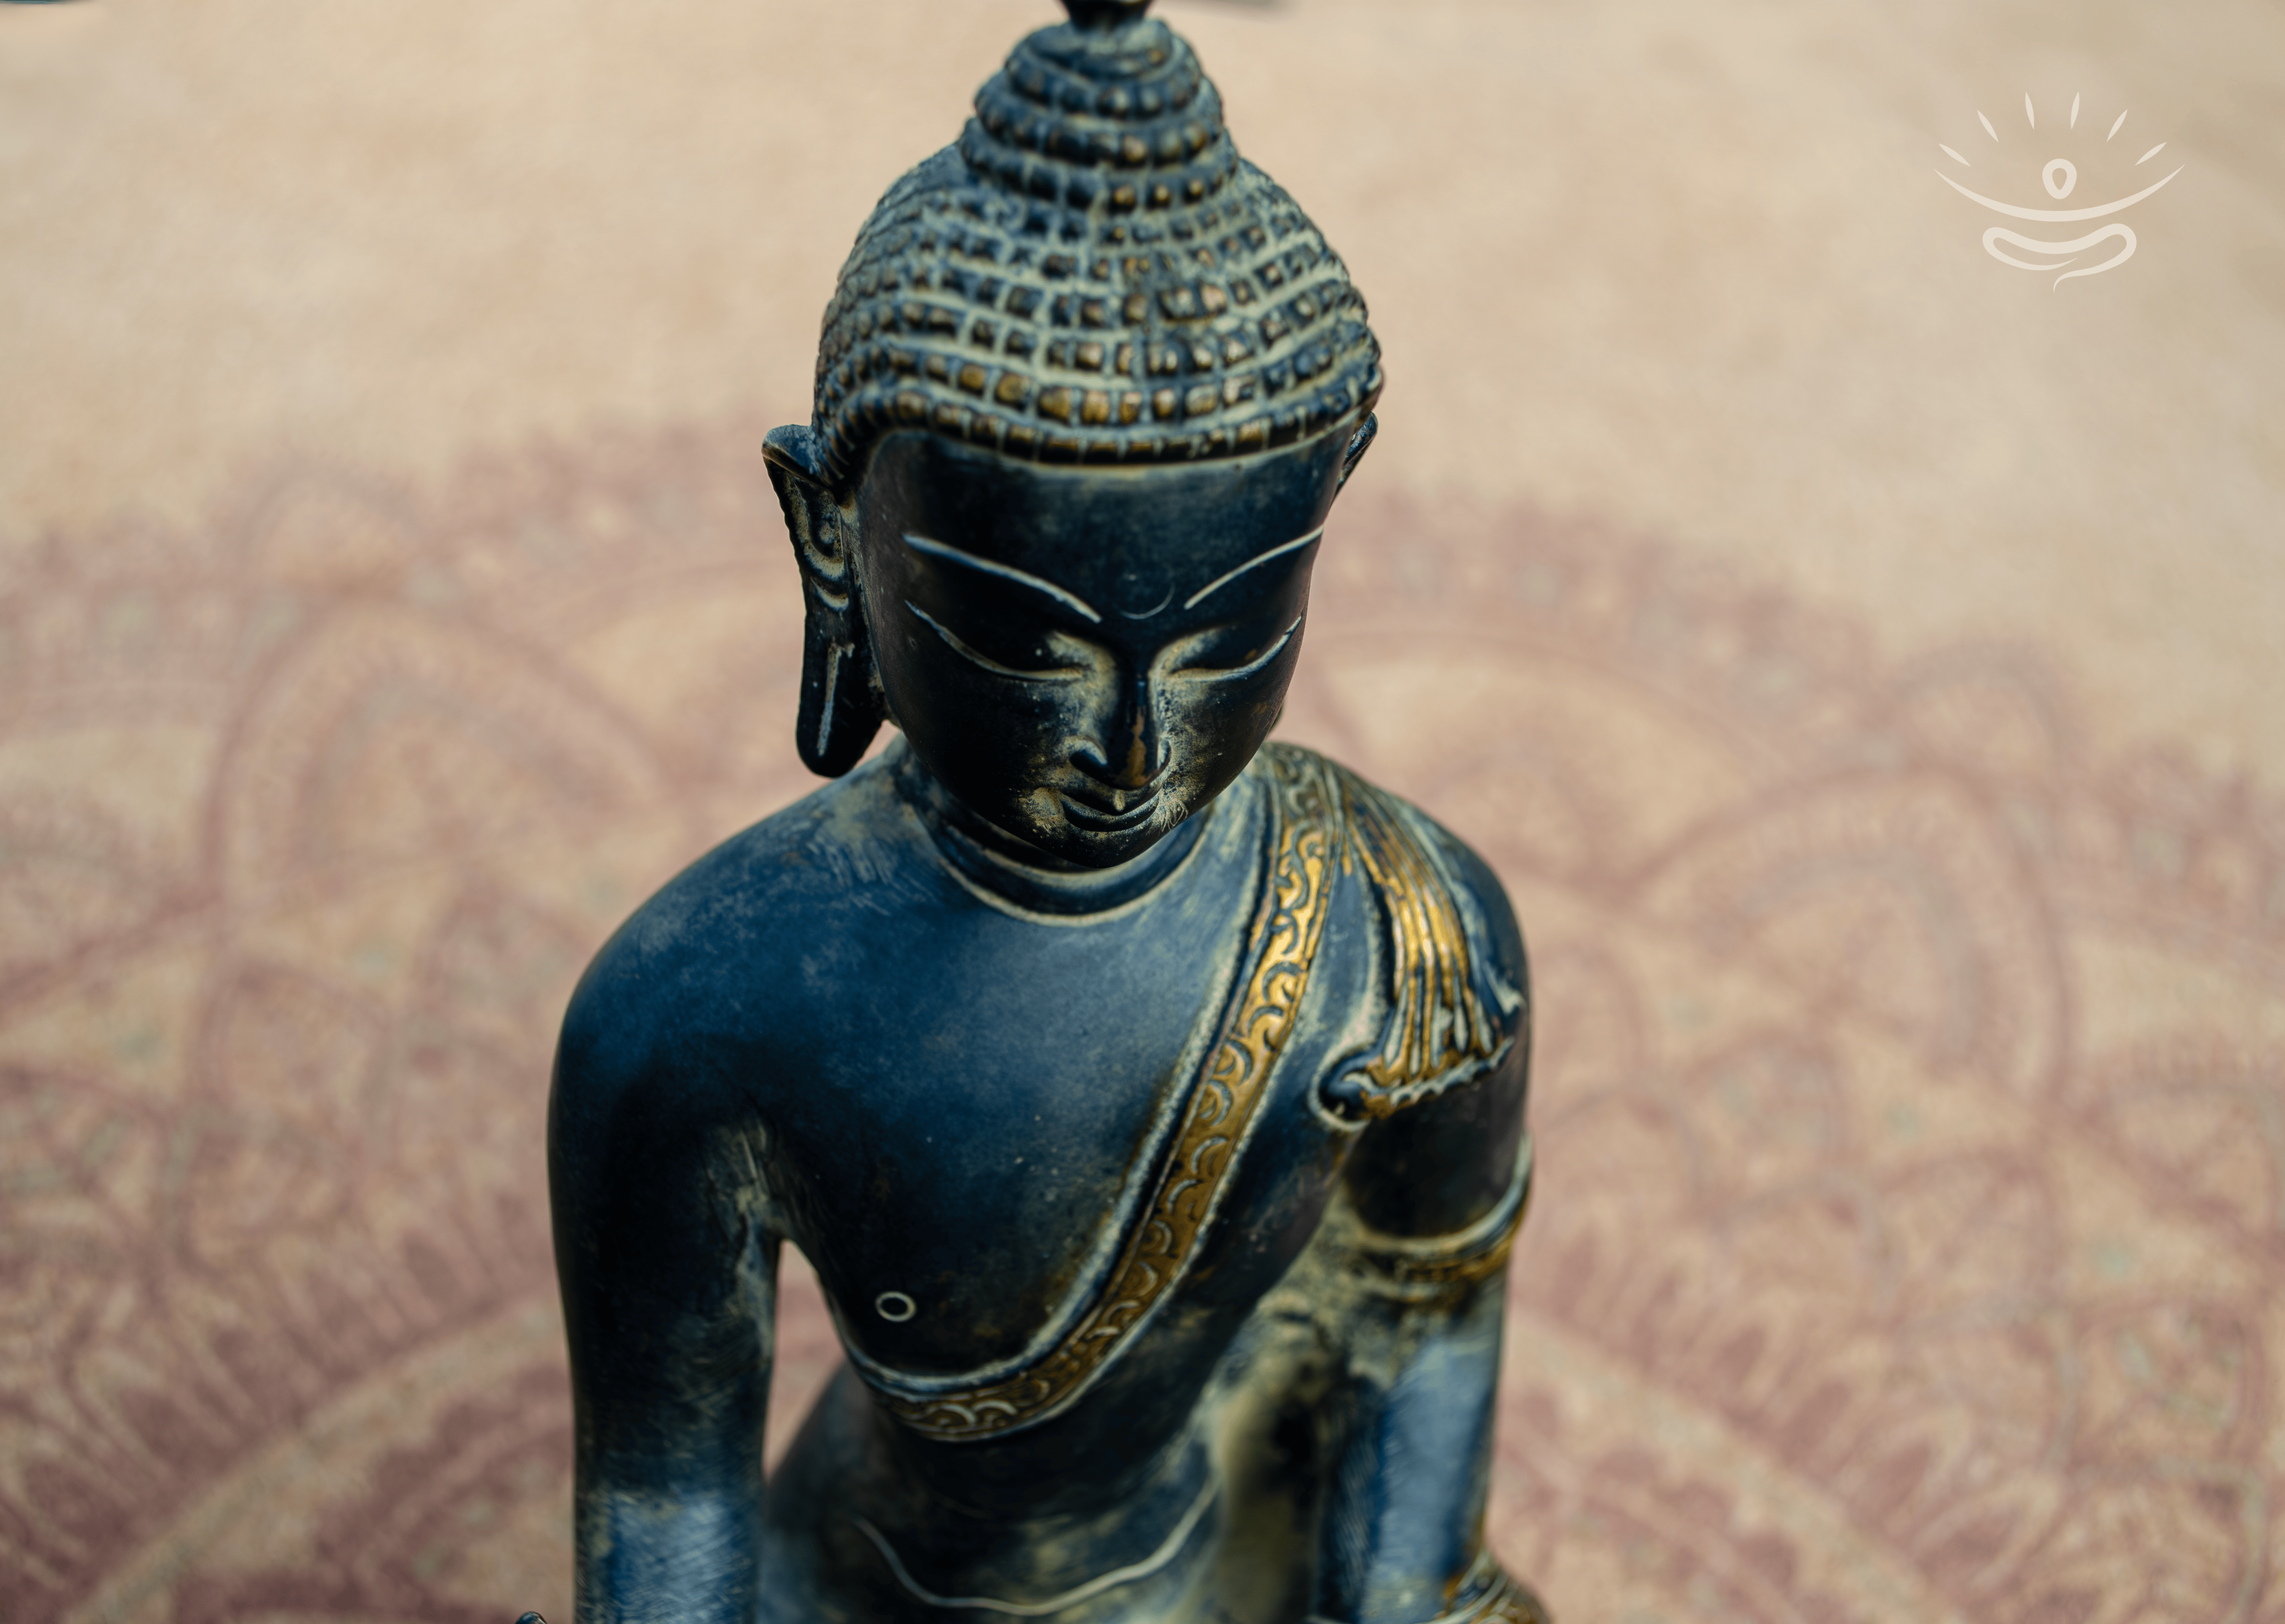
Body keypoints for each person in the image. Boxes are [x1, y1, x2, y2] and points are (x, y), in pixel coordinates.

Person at [546, 5, 1543, 1621]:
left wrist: (1400, 1595)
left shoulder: (1404, 931)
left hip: (1219, 1547)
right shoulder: (698, 1011)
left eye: (1228, 644)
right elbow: (664, 1495)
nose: (1133, 746)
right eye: (1027, 649)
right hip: (869, 1589)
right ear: (834, 540)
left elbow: (1418, 1314)